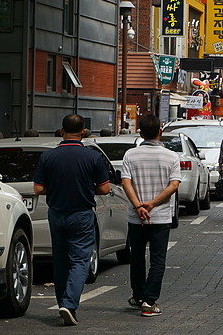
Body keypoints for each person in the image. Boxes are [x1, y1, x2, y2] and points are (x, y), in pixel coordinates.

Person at [33, 114, 111, 326]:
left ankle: (62, 302)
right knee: (79, 261)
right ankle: (69, 303)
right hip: (82, 214)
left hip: (56, 213)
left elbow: (38, 188)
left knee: (60, 260)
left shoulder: (48, 157)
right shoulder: (92, 157)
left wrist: (56, 188)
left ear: (61, 131)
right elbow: (105, 188)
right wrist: (87, 188)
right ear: (83, 131)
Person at [121, 114, 181, 318]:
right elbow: (174, 185)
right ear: (160, 132)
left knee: (137, 257)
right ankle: (150, 301)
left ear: (140, 132)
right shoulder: (171, 156)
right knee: (157, 259)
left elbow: (126, 182)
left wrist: (139, 206)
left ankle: (138, 296)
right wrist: (153, 204)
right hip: (161, 217)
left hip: (136, 217)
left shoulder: (130, 155)